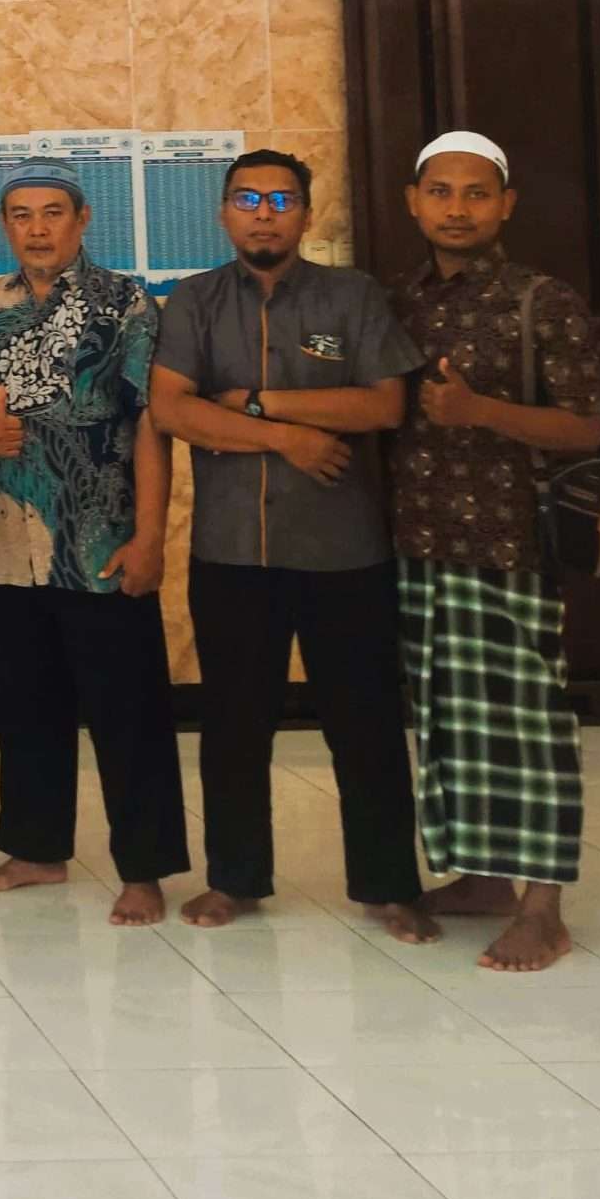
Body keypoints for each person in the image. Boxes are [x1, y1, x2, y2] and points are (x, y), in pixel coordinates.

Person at [149, 149, 435, 945]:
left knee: (366, 726)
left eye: (282, 199)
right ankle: (234, 880)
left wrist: (255, 402)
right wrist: (294, 441)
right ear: (224, 213)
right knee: (234, 725)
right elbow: (175, 412)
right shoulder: (195, 303)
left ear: (307, 214)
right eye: (249, 198)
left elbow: (382, 404)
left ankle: (389, 885)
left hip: (345, 554)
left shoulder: (354, 296)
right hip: (232, 554)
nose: (265, 212)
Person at [0, 158, 187, 927]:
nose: (38, 228)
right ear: (6, 226)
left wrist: (151, 538)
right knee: (25, 705)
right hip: (10, 540)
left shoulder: (126, 305)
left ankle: (144, 869)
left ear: (82, 221)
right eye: (22, 214)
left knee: (128, 711)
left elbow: (152, 422)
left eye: (54, 212)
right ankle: (36, 849)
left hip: (101, 540)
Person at [388, 131, 600, 972]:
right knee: (447, 718)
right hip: (417, 540)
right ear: (414, 203)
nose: (457, 208)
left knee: (528, 725)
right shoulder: (397, 300)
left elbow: (586, 425)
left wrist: (481, 412)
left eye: (476, 194)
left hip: (510, 543)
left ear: (506, 204)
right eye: (440, 192)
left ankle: (543, 906)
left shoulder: (539, 300)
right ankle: (480, 875)